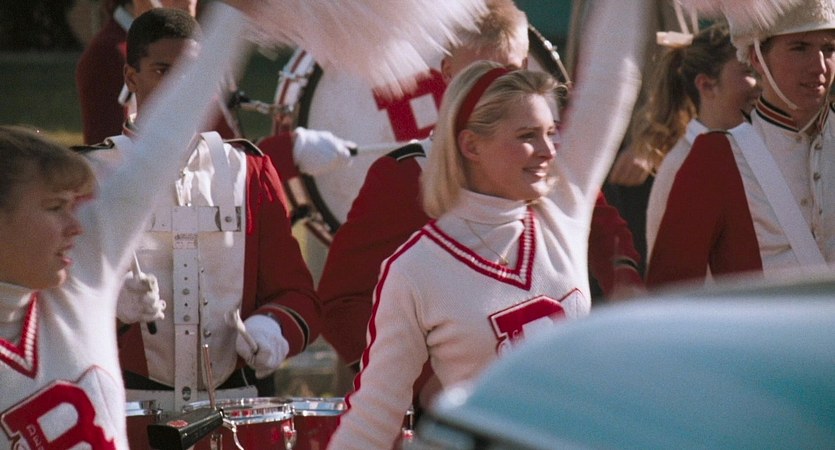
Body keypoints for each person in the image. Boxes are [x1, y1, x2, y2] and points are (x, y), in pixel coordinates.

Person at [327, 16, 645, 441]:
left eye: (551, 132)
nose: (549, 150)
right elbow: (372, 416)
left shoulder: (562, 206)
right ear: (471, 144)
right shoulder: (414, 266)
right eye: (528, 135)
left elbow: (610, 83)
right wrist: (428, 388)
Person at [77, 8, 319, 412]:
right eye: (162, 71)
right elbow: (43, 304)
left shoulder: (249, 171)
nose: (180, 86)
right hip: (125, 413)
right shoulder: (89, 176)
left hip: (235, 411)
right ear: (131, 78)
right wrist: (109, 306)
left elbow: (296, 295)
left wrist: (271, 329)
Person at [645, 0, 835, 287]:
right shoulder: (714, 160)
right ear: (757, 59)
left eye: (829, 49)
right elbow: (669, 294)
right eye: (799, 48)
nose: (819, 66)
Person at [632, 22, 759, 261]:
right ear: (707, 85)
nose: (761, 84)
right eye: (748, 72)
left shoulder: (747, 151)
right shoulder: (686, 166)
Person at [75, 0, 237, 145]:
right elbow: (110, 160)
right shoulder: (107, 53)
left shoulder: (198, 49)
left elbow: (227, 144)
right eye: (163, 70)